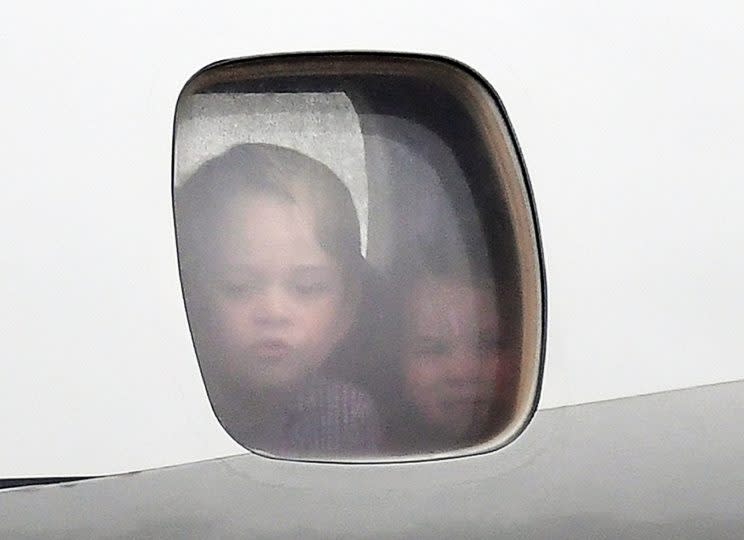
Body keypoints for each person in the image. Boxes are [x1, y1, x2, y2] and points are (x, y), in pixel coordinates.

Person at [175, 143, 381, 457]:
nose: (274, 312)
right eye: (239, 286)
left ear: (346, 309)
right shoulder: (164, 408)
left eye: (308, 287)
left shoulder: (340, 417)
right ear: (191, 299)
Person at [386, 254, 521, 454]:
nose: (463, 372)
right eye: (432, 350)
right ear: (394, 360)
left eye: (489, 345)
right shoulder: (365, 449)